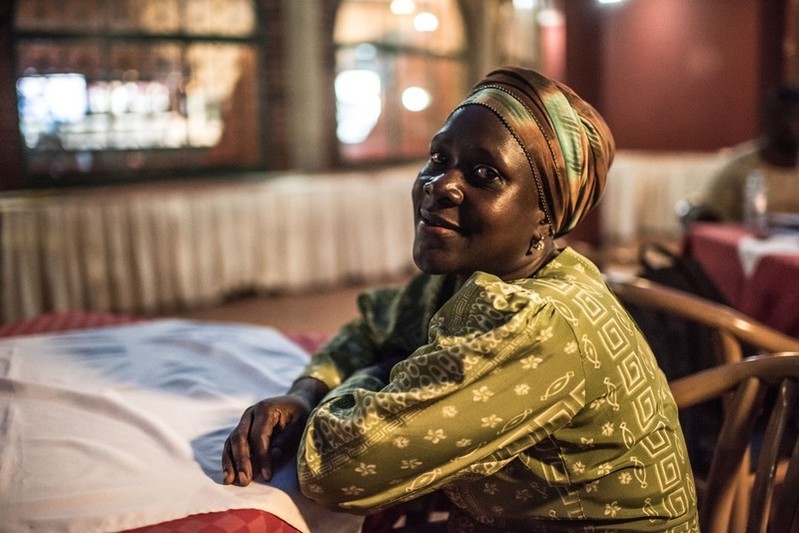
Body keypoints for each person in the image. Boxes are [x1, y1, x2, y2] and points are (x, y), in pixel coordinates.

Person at [222, 66, 698, 531]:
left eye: (484, 173)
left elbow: (337, 466)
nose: (441, 184)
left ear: (543, 221)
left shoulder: (534, 323)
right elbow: (372, 326)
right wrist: (305, 393)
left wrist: (372, 374)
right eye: (438, 158)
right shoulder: (468, 276)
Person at [680, 86, 799, 224]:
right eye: (788, 117)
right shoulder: (739, 169)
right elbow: (706, 216)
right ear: (768, 121)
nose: (793, 125)